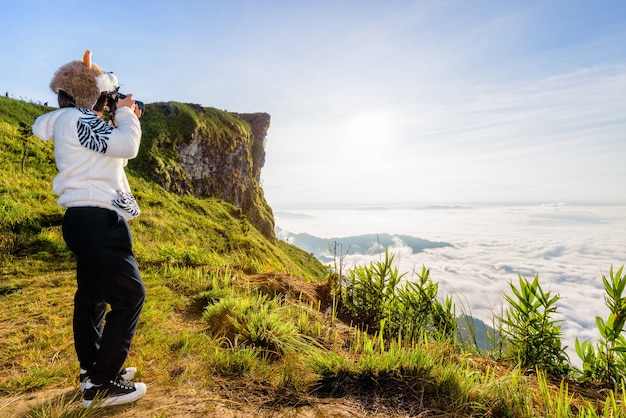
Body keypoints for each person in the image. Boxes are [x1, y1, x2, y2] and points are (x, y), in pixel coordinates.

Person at [32, 50, 147, 408]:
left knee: (92, 296)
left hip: (80, 218)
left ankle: (92, 369)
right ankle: (101, 384)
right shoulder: (82, 120)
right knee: (130, 297)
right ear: (91, 94)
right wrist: (126, 113)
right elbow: (127, 146)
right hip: (99, 219)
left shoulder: (70, 121)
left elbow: (106, 149)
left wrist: (114, 112)